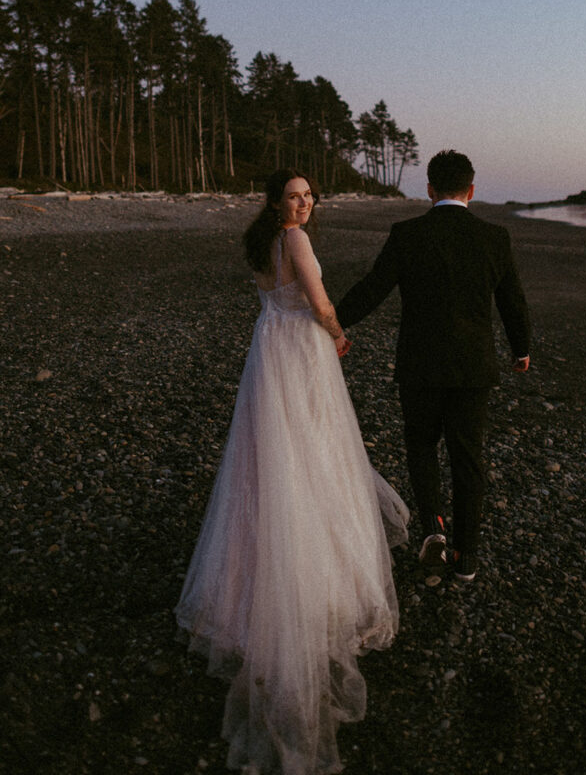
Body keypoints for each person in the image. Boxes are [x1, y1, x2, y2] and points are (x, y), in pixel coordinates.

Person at [176, 169, 408, 774]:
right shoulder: (295, 241)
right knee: (312, 455)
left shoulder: (259, 242)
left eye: (309, 197)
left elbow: (274, 297)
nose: (304, 204)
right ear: (277, 201)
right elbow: (318, 300)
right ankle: (312, 586)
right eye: (295, 196)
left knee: (265, 462)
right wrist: (338, 336)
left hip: (268, 348)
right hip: (299, 349)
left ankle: (245, 591)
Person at [336, 150, 530, 585]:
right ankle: (466, 557)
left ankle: (433, 528)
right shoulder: (494, 237)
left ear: (429, 189)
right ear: (472, 190)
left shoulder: (408, 234)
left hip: (419, 364)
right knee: (468, 457)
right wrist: (521, 349)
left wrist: (332, 321)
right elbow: (512, 300)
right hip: (472, 367)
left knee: (421, 445)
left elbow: (373, 288)